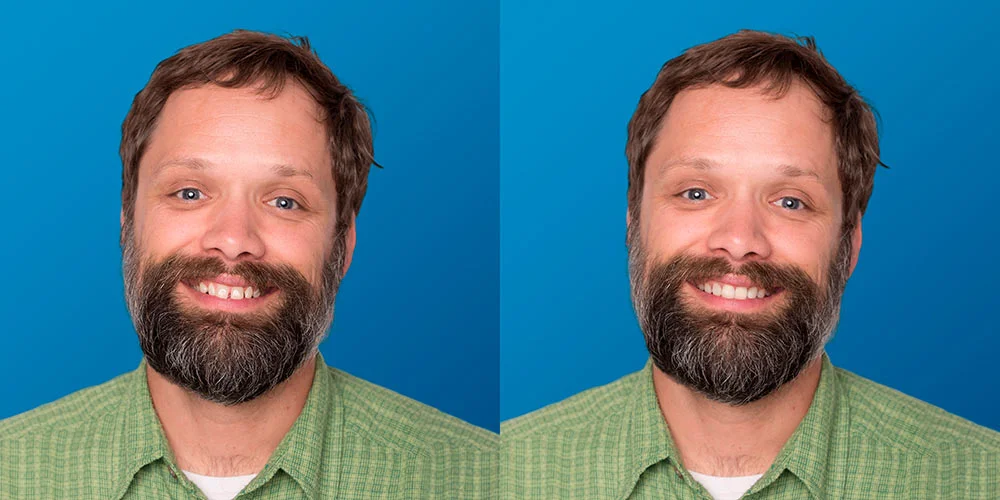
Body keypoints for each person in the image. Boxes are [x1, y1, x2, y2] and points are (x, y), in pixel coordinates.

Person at [501, 30, 1000, 499]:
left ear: (848, 245)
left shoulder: (979, 478)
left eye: (790, 202)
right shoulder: (508, 470)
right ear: (634, 223)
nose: (739, 241)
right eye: (695, 193)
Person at [0, 30, 496, 500]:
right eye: (189, 192)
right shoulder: (13, 470)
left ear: (342, 248)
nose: (234, 241)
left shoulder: (483, 479)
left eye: (284, 201)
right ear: (128, 225)